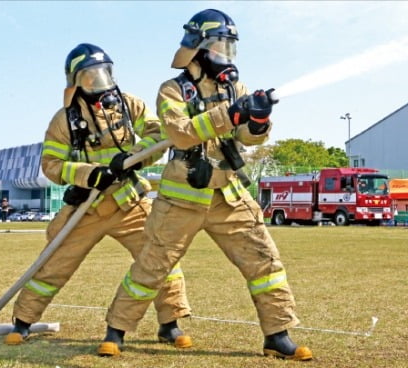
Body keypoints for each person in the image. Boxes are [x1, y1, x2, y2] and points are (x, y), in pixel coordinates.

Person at [98, 9, 312, 361]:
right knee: (152, 266)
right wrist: (232, 114)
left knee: (265, 264)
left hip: (228, 194)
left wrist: (258, 121)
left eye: (230, 48)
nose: (226, 55)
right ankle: (115, 332)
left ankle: (277, 335)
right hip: (181, 199)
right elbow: (181, 133)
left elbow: (247, 136)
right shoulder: (171, 90)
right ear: (197, 48)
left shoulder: (235, 88)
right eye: (220, 46)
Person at [4, 43, 192, 351]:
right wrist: (87, 174)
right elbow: (51, 165)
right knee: (52, 265)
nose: (100, 82)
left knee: (160, 260)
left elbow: (159, 136)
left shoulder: (131, 106)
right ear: (76, 82)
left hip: (129, 202)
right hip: (87, 208)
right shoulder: (63, 120)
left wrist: (131, 156)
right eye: (91, 77)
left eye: (104, 73)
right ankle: (22, 323)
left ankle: (170, 325)